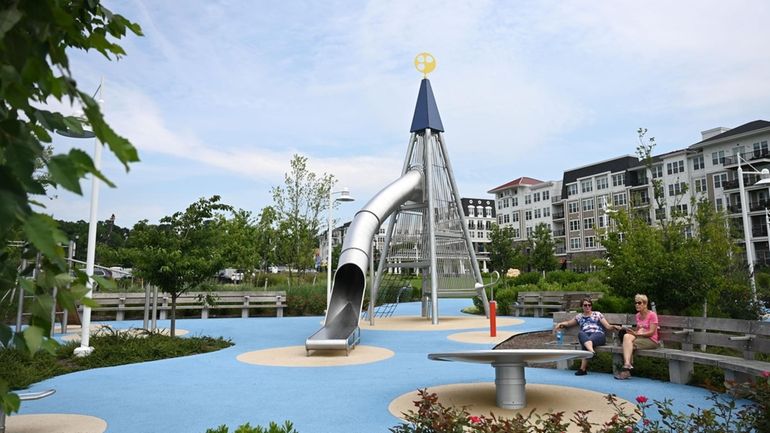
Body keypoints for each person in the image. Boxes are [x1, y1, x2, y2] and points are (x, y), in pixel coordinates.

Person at [554, 297, 618, 376]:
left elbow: (607, 326)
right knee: (581, 334)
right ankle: (591, 352)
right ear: (582, 306)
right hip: (585, 335)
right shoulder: (579, 316)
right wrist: (560, 324)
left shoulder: (597, 314)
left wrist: (614, 326)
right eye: (585, 305)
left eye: (589, 305)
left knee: (586, 342)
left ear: (591, 306)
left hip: (598, 335)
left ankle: (583, 368)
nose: (587, 307)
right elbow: (568, 323)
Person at [615, 294, 659, 380]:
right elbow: (638, 330)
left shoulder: (652, 315)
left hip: (651, 340)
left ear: (645, 304)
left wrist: (637, 334)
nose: (637, 305)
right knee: (627, 336)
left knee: (627, 345)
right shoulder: (638, 315)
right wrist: (632, 332)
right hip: (641, 338)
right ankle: (627, 364)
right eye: (636, 303)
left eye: (639, 303)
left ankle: (626, 370)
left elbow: (651, 333)